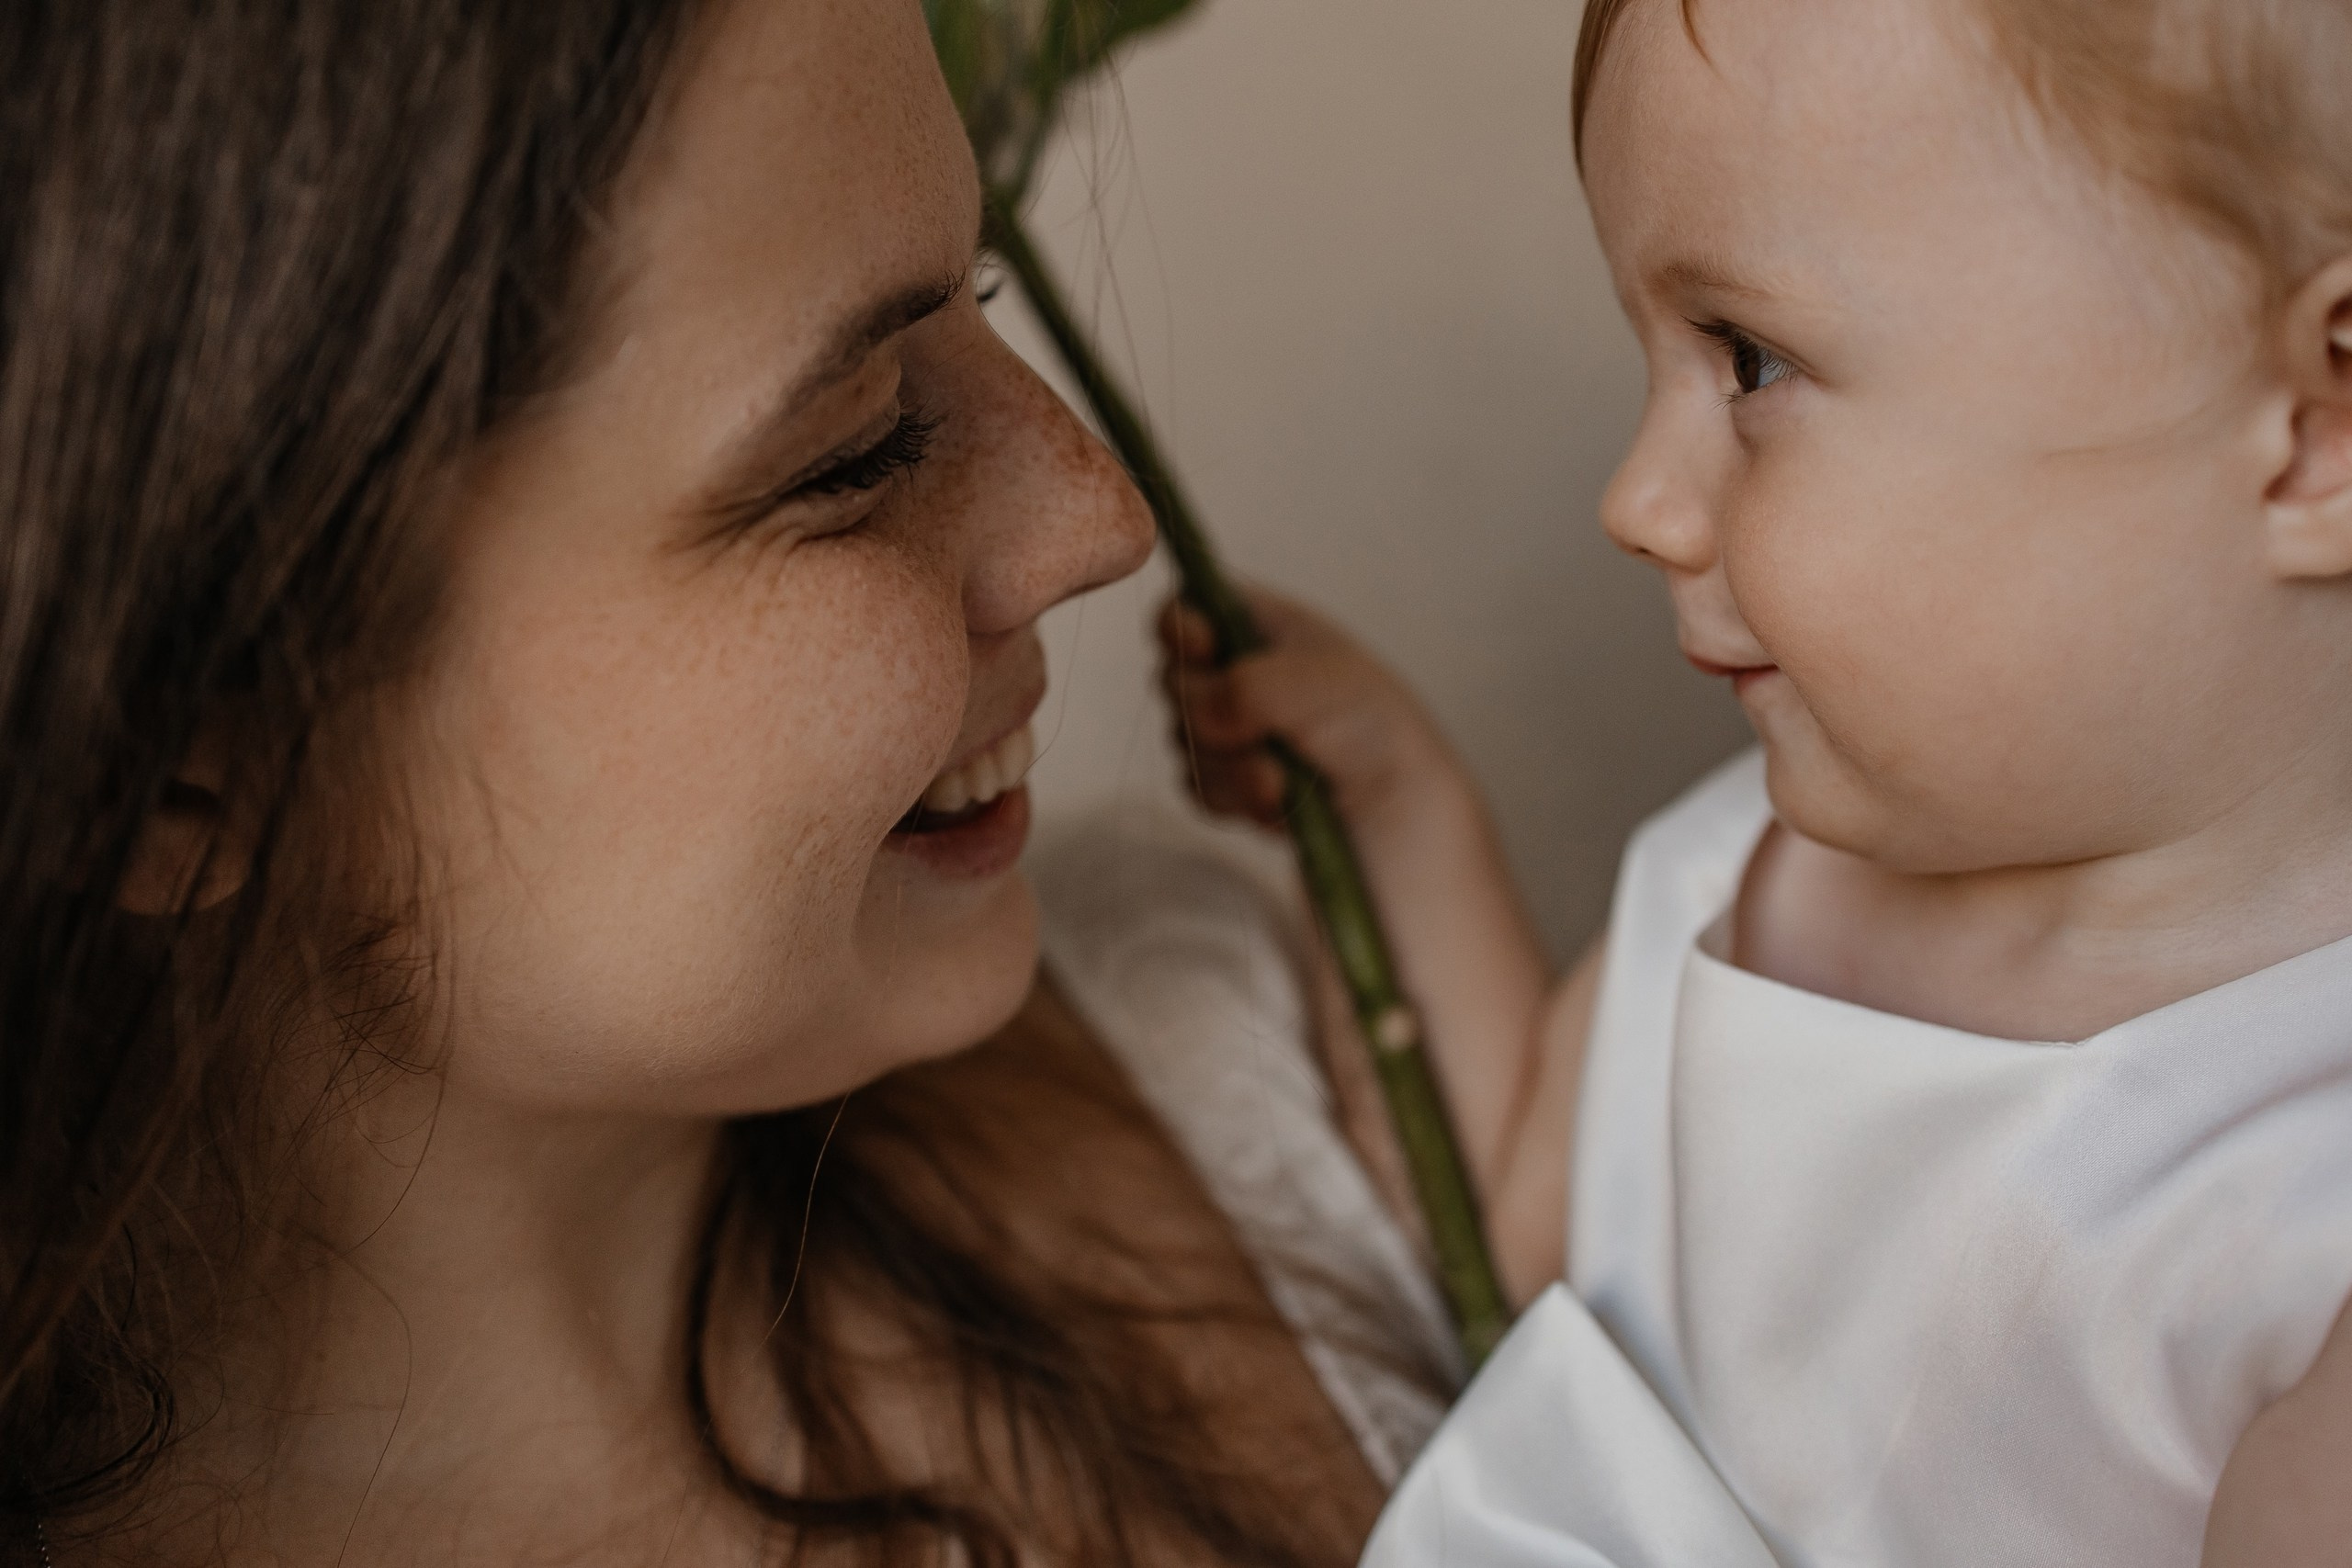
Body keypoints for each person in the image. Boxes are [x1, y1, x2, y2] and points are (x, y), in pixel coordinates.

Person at [0, 1, 1457, 1562]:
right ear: (171, 775)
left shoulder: (1258, 1042)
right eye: (853, 451)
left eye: (974, 295)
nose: (1094, 513)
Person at [1160, 0, 2352, 1561]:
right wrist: (1399, 809)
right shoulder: (1741, 874)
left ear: (2317, 436)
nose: (1639, 500)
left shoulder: (2299, 1187)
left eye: (1750, 360)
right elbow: (1518, 1225)